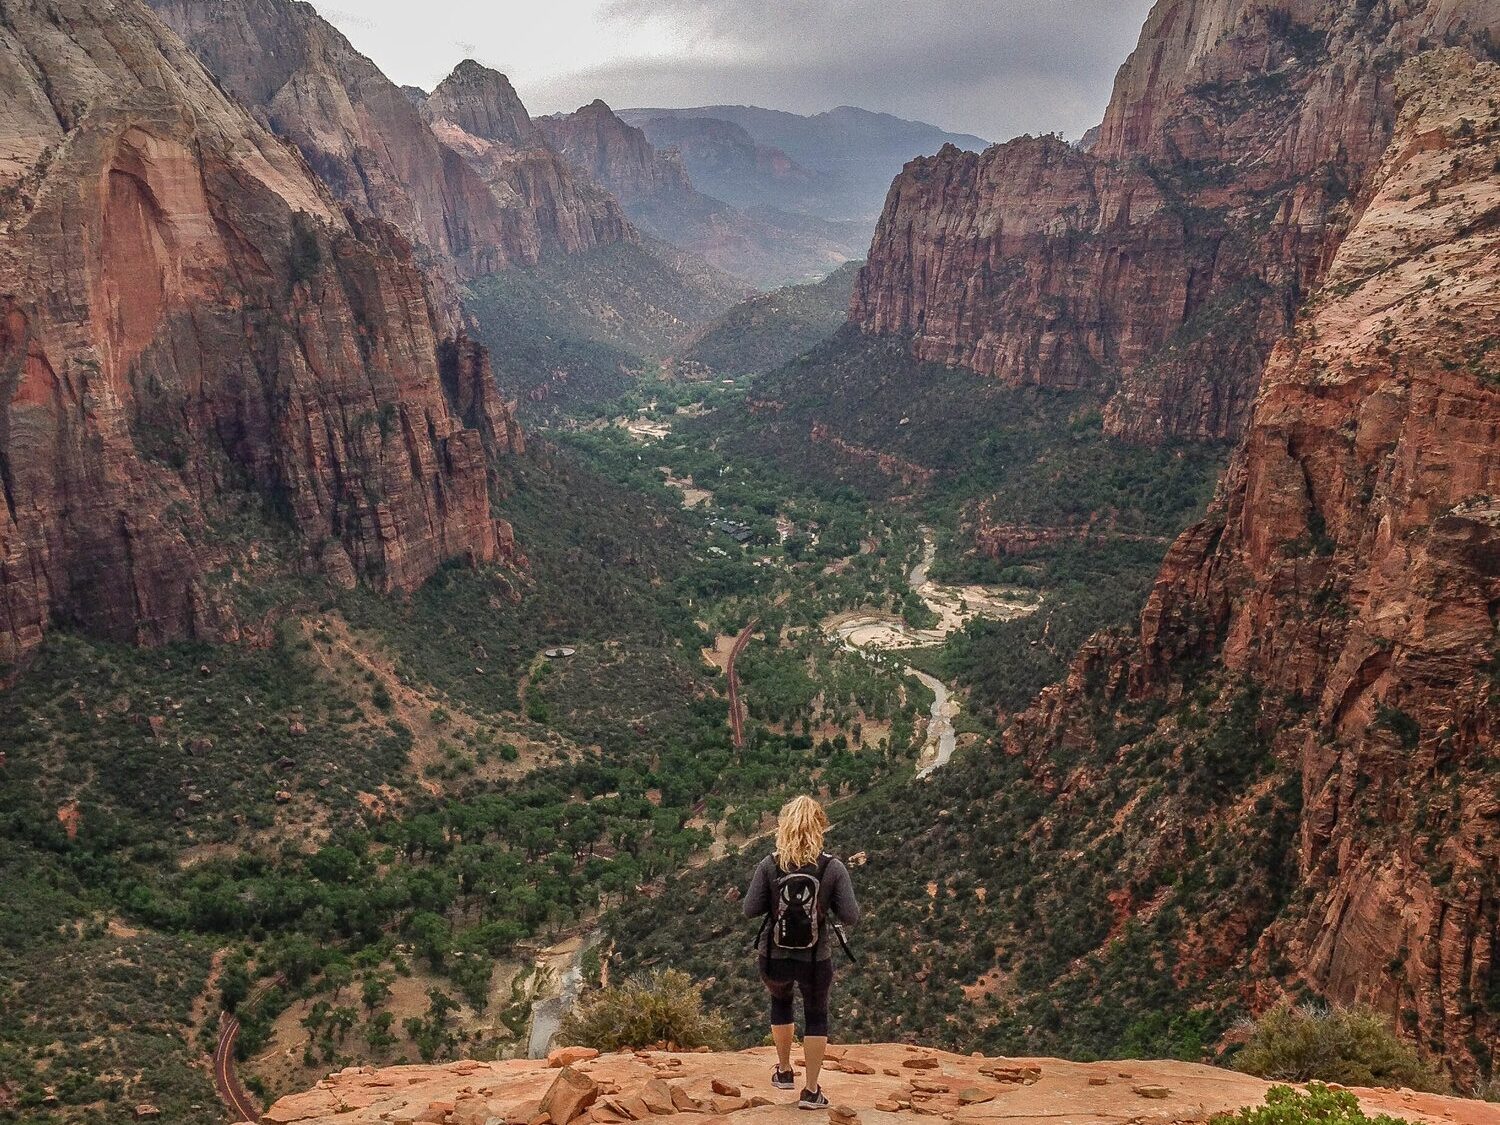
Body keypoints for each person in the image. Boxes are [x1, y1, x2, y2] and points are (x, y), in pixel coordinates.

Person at [742, 795, 860, 1110]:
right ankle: (810, 1092)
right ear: (819, 827)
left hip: (775, 956)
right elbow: (850, 915)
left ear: (784, 828)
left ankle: (783, 1072)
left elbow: (749, 909)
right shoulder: (832, 867)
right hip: (815, 958)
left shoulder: (769, 864)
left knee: (780, 1003)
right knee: (816, 1015)